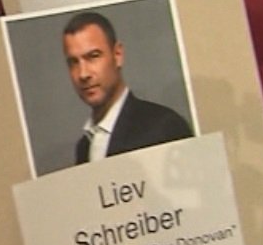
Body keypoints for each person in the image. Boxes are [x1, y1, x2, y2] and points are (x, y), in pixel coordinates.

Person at [63, 11, 192, 165]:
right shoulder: (84, 147)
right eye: (73, 62)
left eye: (93, 56)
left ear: (117, 55)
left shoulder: (163, 127)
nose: (83, 74)